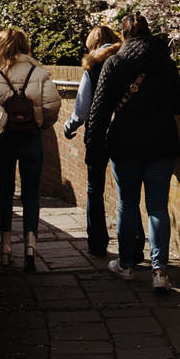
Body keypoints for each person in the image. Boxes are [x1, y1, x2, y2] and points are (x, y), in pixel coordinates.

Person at [86, 13, 180, 293]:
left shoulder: (115, 63)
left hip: (125, 144)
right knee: (157, 206)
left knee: (126, 203)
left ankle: (127, 265)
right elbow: (178, 105)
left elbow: (100, 110)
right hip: (162, 143)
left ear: (124, 35)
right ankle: (160, 271)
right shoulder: (165, 62)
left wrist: (93, 148)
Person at [0, 27, 60, 272]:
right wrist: (38, 124)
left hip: (4, 142)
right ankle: (30, 247)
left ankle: (5, 248)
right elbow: (52, 108)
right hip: (31, 140)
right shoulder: (40, 74)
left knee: (5, 192)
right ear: (25, 46)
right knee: (31, 194)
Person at [62, 24, 122, 257]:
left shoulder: (92, 66)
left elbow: (82, 108)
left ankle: (97, 243)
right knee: (126, 190)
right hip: (121, 131)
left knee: (93, 189)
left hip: (97, 133)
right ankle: (133, 245)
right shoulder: (123, 62)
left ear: (92, 44)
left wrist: (70, 126)